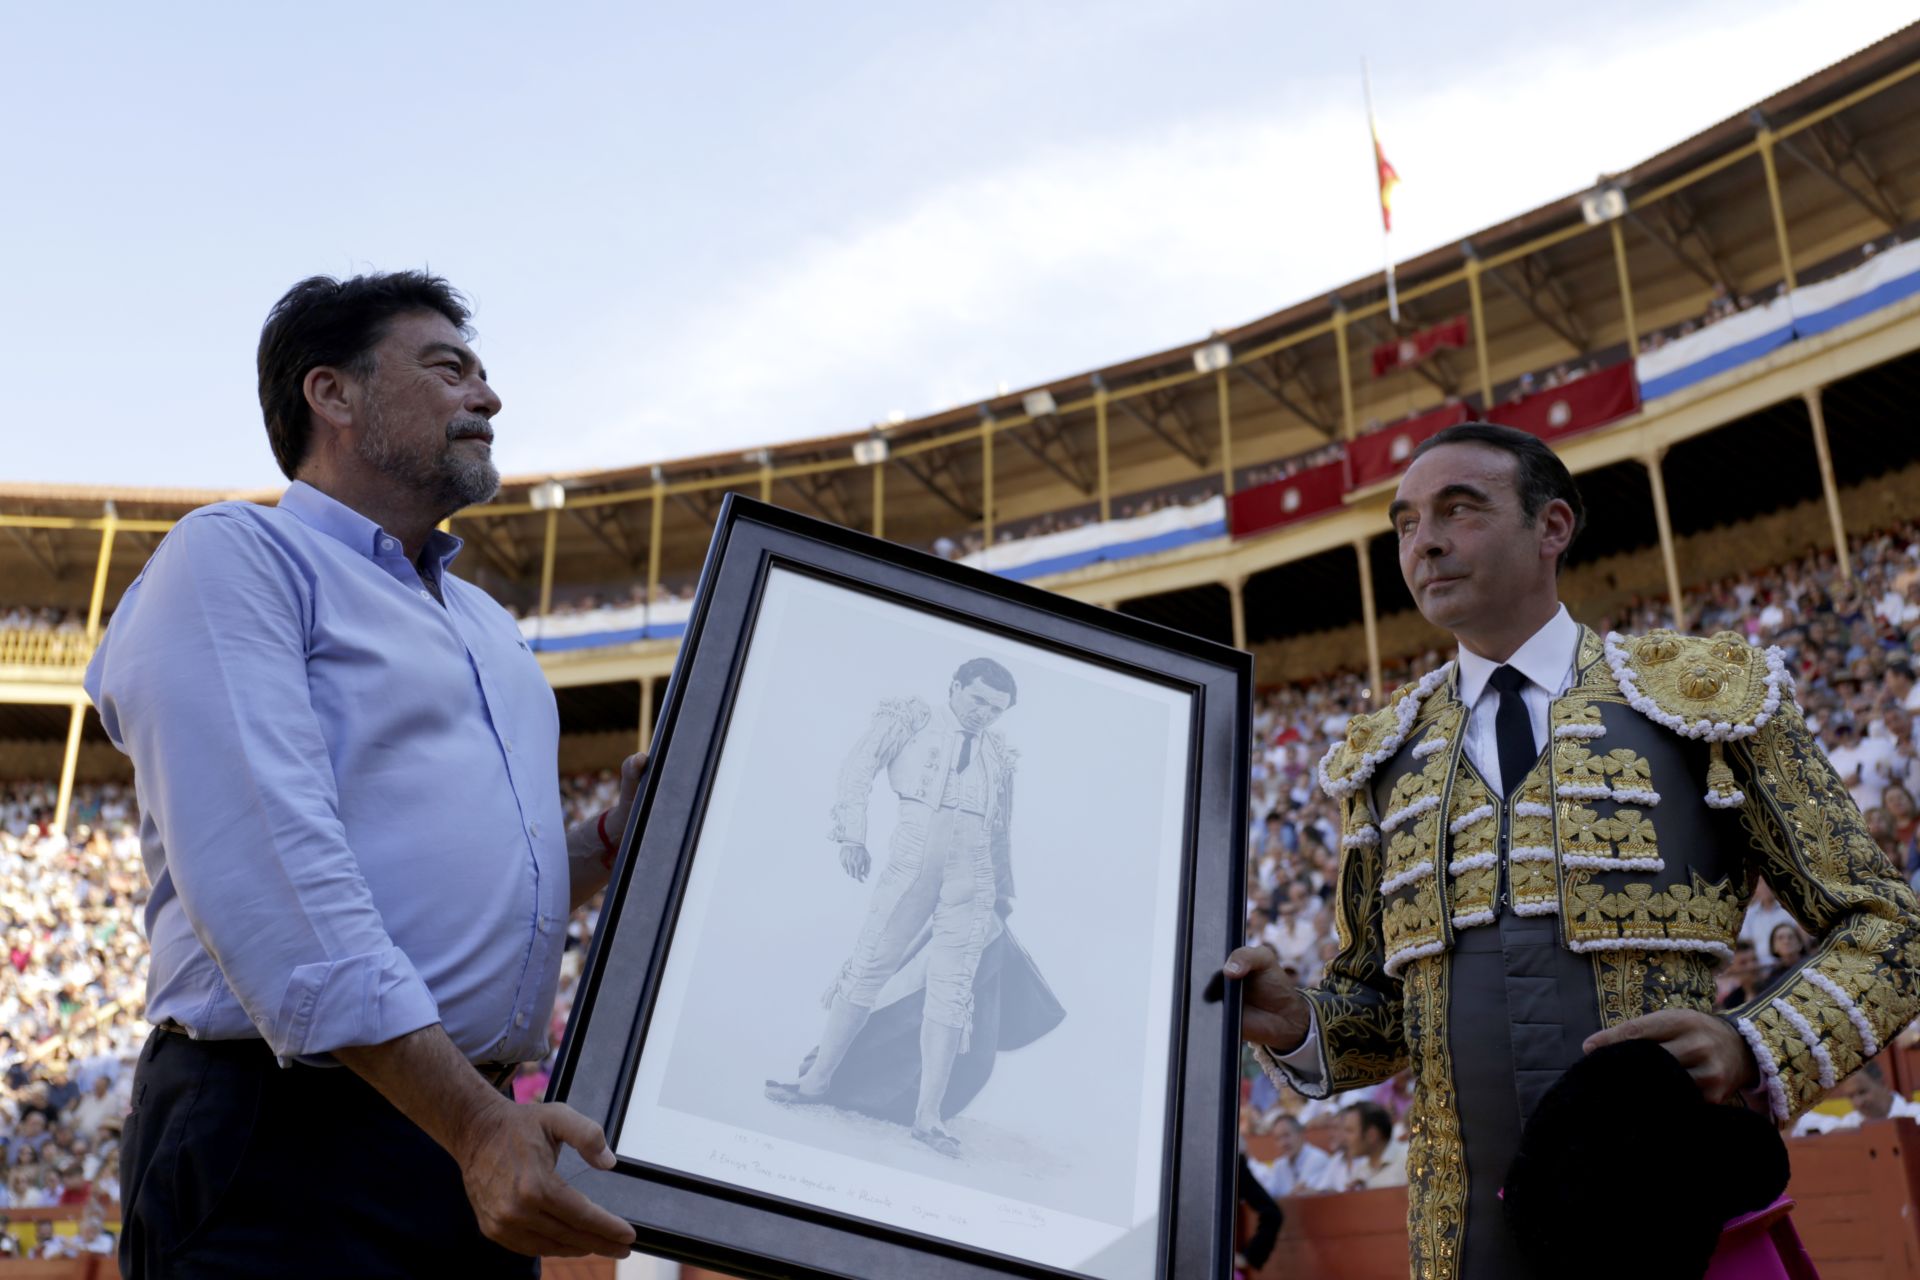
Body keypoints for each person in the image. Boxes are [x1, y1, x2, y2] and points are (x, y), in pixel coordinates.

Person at [1225, 422, 1920, 1278]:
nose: (1425, 542)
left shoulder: (1701, 698)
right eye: (1405, 523)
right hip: (1464, 1242)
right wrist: (1298, 1023)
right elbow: (1380, 1015)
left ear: (1552, 527)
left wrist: (1754, 1040)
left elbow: (1893, 927)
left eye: (1460, 509)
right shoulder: (1385, 758)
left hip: (1672, 1222)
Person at [84, 272, 647, 1277]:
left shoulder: (489, 626)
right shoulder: (238, 556)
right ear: (332, 393)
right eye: (449, 368)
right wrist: (477, 1125)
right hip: (283, 1136)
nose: (488, 396)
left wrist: (610, 840)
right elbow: (274, 879)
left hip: (458, 1134)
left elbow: (473, 879)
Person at [766, 658, 1025, 1158]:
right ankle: (817, 1081)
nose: (983, 715)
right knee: (867, 968)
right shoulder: (911, 717)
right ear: (954, 687)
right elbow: (858, 767)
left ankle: (928, 1117)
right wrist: (852, 836)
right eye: (977, 700)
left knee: (951, 993)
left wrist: (1001, 894)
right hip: (911, 863)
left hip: (973, 880)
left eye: (995, 709)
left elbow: (1001, 828)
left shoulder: (998, 752)